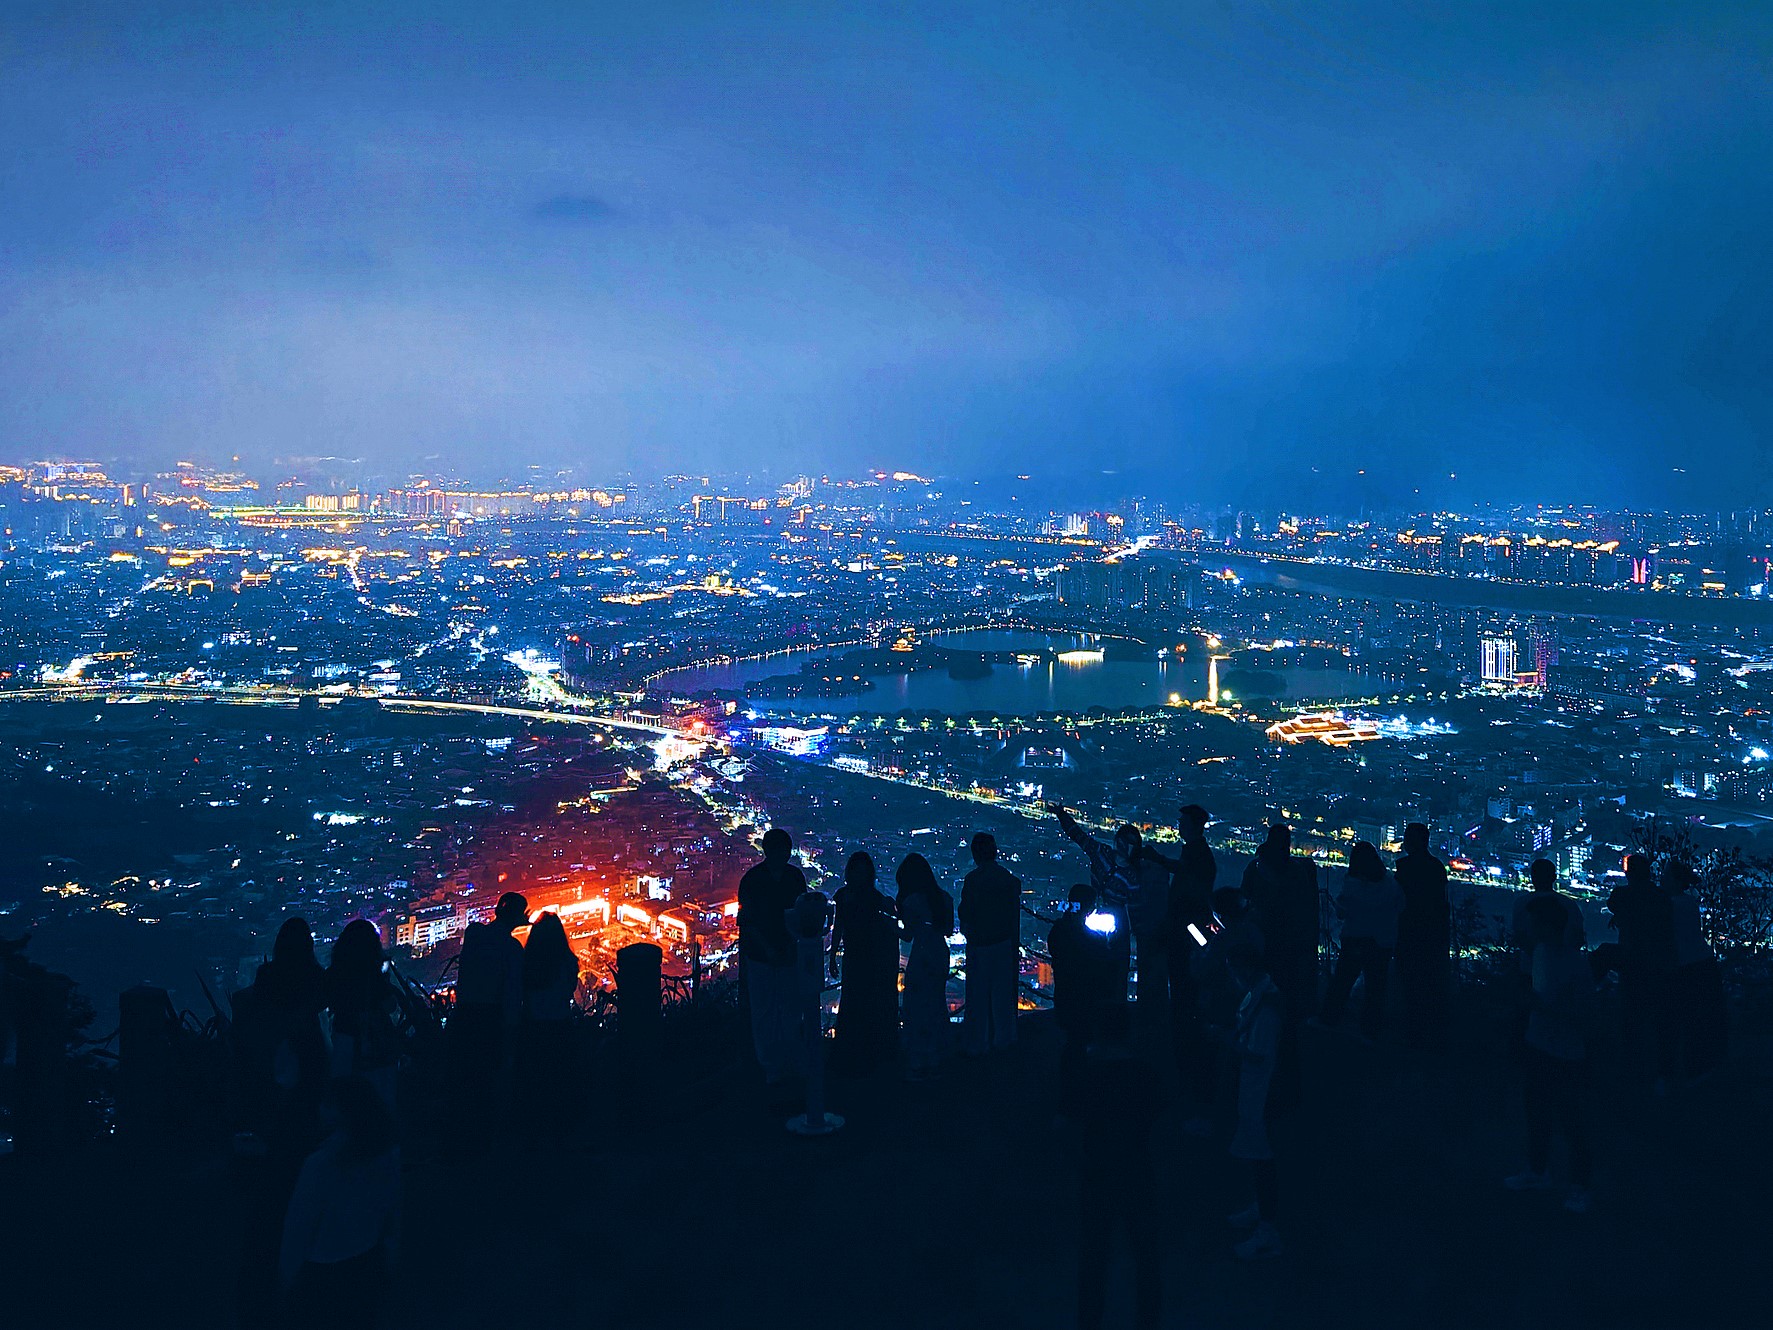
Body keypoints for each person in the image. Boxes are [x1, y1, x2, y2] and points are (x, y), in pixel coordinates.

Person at [279, 1076, 401, 1329]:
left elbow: (298, 1229)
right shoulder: (386, 1154)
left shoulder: (320, 1165)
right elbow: (390, 1211)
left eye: (327, 1103)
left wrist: (286, 1276)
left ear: (342, 1111)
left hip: (323, 1275)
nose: (320, 1107)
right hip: (367, 1263)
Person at [1505, 894, 1595, 1214]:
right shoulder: (1543, 953)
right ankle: (1539, 1170)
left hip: (1565, 1052)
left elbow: (1581, 1012)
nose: (1528, 928)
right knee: (1538, 1112)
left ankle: (1579, 1186)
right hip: (1540, 1044)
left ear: (1545, 925)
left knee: (1571, 1119)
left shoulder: (1574, 963)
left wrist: (1536, 1005)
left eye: (1533, 923)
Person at [1074, 1002, 1162, 1330]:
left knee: (1094, 1254)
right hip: (1137, 1167)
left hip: (1098, 1170)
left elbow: (1072, 1120)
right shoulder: (1145, 1074)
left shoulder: (1089, 1074)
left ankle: (1089, 1320)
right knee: (1146, 1253)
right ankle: (1148, 1320)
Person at [1049, 803, 1169, 1019]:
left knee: (1105, 967)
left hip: (1099, 918)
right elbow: (1078, 835)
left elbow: (1077, 835)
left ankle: (1103, 1012)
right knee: (1112, 969)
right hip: (1111, 920)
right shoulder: (1128, 873)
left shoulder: (1107, 858)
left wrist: (1061, 814)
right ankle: (1110, 1014)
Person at [1240, 823, 1317, 1108]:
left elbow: (1245, 898)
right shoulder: (1297, 873)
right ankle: (1288, 1085)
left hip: (1265, 948)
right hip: (1289, 952)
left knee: (1262, 1012)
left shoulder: (1258, 869)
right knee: (1285, 1019)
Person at [1220, 941, 1284, 1259]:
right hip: (1258, 1090)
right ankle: (1262, 1210)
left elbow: (1259, 1054)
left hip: (1262, 1092)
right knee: (1260, 1158)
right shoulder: (1263, 996)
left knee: (1263, 1158)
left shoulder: (1266, 1006)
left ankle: (1268, 1230)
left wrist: (1226, 1042)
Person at [1156, 804, 1218, 1130]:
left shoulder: (1196, 855)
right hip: (1189, 929)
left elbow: (1187, 886)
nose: (1178, 825)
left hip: (1186, 930)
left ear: (1194, 824)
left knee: (1184, 983)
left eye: (1182, 821)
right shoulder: (1198, 854)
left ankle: (1186, 1026)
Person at [450, 891, 527, 1125]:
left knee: (466, 1076)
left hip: (464, 1014)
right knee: (488, 1077)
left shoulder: (475, 934)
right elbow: (513, 991)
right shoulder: (512, 948)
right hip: (491, 1018)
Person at [738, 827, 808, 1085]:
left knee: (786, 1008)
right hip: (762, 955)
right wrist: (771, 948)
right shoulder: (756, 880)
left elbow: (800, 914)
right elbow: (748, 921)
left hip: (782, 952)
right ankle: (771, 1065)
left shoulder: (791, 877)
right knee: (767, 1009)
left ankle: (786, 1061)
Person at [1319, 841, 1403, 1040]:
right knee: (1376, 988)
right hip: (1382, 942)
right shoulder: (1390, 883)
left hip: (1355, 940)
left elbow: (1342, 912)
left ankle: (1329, 1020)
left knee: (1342, 982)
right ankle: (1371, 1029)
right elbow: (1401, 906)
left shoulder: (1353, 885)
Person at [1606, 853, 1675, 1088]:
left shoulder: (1622, 895)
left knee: (1630, 1015)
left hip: (1631, 960)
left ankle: (1631, 1069)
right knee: (1658, 1017)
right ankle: (1662, 1071)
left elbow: (1614, 905)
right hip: (1657, 962)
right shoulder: (1661, 897)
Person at [829, 852, 900, 1075]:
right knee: (856, 999)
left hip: (867, 955)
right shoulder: (866, 896)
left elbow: (840, 926)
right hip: (859, 955)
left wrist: (833, 956)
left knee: (859, 1000)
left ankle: (855, 1052)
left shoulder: (853, 896)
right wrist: (833, 955)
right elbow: (839, 926)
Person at [1047, 884, 1111, 1120]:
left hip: (1065, 994)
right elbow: (1102, 963)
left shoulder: (1058, 931)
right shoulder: (1092, 939)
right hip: (1086, 998)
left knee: (1072, 1044)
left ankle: (1068, 1099)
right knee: (1083, 1044)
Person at [326, 921, 400, 1109]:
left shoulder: (335, 974)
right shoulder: (373, 977)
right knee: (380, 1101)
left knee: (346, 1099)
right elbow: (390, 1006)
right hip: (375, 1043)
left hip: (344, 1037)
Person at [959, 831, 1021, 1055]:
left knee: (978, 997)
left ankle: (977, 1043)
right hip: (1003, 943)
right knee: (1002, 996)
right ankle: (1004, 1040)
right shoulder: (1008, 880)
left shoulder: (973, 880)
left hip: (980, 944)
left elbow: (965, 912)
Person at [1664, 859, 1726, 1078]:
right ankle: (1700, 1067)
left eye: (1665, 875)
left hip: (1689, 966)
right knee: (1699, 1018)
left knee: (1688, 1018)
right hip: (1701, 962)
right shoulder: (1688, 902)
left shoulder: (1672, 905)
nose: (1662, 879)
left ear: (1674, 880)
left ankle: (1692, 1068)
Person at [515, 910, 580, 1116]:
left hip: (532, 1024)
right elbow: (569, 989)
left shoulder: (527, 962)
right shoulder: (568, 962)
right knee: (559, 1075)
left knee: (535, 1077)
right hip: (560, 1022)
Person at [896, 852, 954, 1081]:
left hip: (922, 953)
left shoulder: (912, 901)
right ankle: (938, 1055)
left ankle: (919, 1059)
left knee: (916, 1005)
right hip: (940, 952)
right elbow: (948, 929)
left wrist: (888, 923)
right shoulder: (944, 898)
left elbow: (908, 935)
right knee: (936, 1002)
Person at [1393, 824, 1451, 1050]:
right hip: (1432, 933)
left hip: (1409, 931)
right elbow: (1442, 904)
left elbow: (1398, 901)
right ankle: (1430, 1032)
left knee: (1410, 983)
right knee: (1429, 983)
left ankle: (1412, 1032)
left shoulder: (1405, 868)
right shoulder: (1436, 868)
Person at [1511, 860, 1585, 964]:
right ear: (1554, 877)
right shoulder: (1569, 904)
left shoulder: (1521, 903)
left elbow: (1518, 934)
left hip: (1529, 965)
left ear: (1532, 877)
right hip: (1564, 964)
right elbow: (1579, 937)